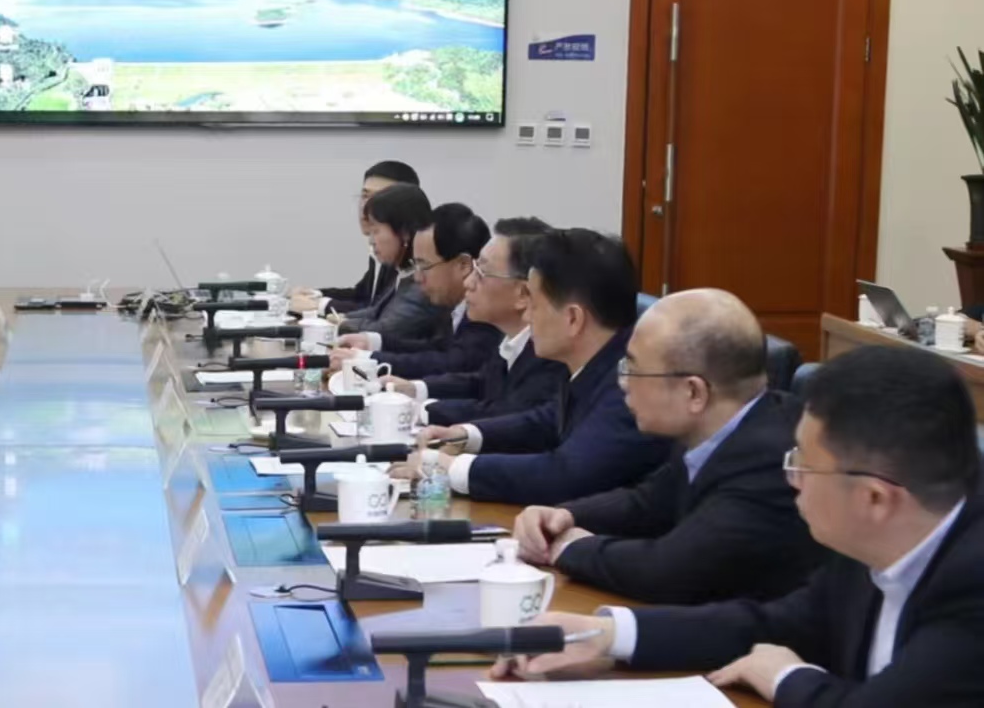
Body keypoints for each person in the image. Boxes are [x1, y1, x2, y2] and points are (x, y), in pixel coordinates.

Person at [493, 347, 984, 707]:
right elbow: (776, 624)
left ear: (874, 498)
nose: (791, 479)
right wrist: (606, 634)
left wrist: (787, 677)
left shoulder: (971, 586)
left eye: (803, 465)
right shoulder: (877, 540)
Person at [513, 289, 825, 604]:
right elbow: (649, 503)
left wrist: (569, 548)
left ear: (693, 392)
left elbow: (667, 570)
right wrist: (564, 516)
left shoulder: (768, 463)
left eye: (633, 370)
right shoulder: (715, 427)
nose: (623, 383)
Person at [395, 228, 670, 505]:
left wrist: (451, 468)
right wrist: (467, 435)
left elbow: (564, 475)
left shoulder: (632, 385)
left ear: (573, 319)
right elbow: (547, 421)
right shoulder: (594, 362)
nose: (526, 316)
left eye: (535, 304)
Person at [391, 217, 568, 426]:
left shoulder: (549, 354)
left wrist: (421, 411)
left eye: (482, 273)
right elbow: (482, 383)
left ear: (523, 293)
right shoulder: (511, 338)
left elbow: (507, 412)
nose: (468, 282)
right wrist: (414, 389)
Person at [335, 202, 502, 376]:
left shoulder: (486, 312)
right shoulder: (452, 304)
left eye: (424, 266)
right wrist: (372, 342)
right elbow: (434, 348)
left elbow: (453, 363)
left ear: (463, 265)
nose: (417, 277)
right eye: (415, 265)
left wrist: (369, 358)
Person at [293, 161, 420, 315]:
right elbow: (363, 296)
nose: (366, 206)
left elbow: (382, 312)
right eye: (365, 196)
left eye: (380, 198)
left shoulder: (413, 255)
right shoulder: (380, 246)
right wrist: (314, 294)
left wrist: (320, 305)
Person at [333, 184, 447, 347]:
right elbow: (375, 312)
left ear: (405, 232)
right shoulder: (403, 272)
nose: (371, 241)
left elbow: (382, 330)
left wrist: (338, 325)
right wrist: (339, 318)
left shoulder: (422, 284)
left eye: (376, 231)